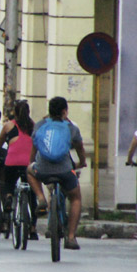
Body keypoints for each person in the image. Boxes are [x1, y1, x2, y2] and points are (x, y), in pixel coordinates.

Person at [27, 96, 87, 251]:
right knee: (75, 198)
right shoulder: (71, 127)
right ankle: (71, 237)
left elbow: (34, 149)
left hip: (43, 169)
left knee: (29, 171)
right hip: (66, 171)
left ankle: (41, 199)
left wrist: (33, 163)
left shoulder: (40, 125)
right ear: (64, 111)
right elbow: (80, 148)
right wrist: (82, 162)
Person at [0, 99, 35, 238]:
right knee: (31, 192)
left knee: (8, 183)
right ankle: (33, 228)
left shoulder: (8, 125)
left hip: (12, 162)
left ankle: (9, 197)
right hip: (29, 164)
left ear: (14, 113)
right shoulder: (33, 126)